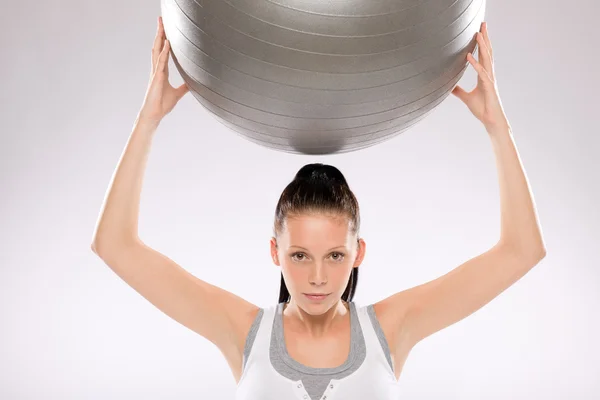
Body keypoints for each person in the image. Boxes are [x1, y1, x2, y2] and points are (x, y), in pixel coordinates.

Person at [91, 17, 546, 400]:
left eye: (335, 256)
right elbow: (115, 246)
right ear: (275, 252)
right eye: (299, 255)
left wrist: (496, 125)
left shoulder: (390, 329)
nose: (317, 278)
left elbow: (521, 252)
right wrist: (147, 120)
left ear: (358, 253)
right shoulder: (243, 331)